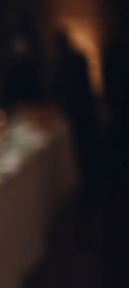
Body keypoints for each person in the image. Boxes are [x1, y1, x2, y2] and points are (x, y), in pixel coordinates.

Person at [50, 32, 100, 184]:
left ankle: (89, 178)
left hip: (76, 109)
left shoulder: (65, 62)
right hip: (80, 108)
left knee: (83, 146)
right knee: (83, 146)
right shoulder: (76, 59)